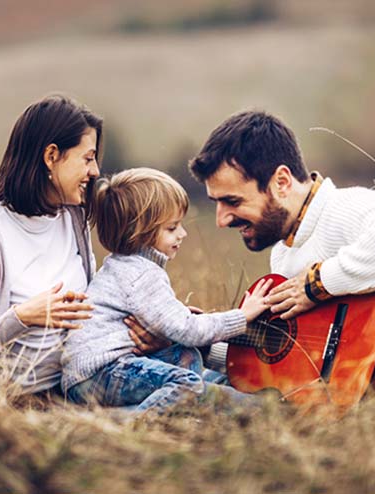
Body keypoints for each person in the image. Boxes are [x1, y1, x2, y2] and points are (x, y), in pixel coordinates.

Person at [189, 110, 375, 401]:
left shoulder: (349, 207)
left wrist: (315, 284)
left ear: (282, 182)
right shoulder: (284, 254)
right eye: (217, 203)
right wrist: (197, 341)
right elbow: (291, 363)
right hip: (341, 418)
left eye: (232, 201)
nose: (220, 220)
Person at [61, 168, 272, 413]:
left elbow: (172, 329)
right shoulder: (142, 273)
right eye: (172, 228)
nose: (182, 234)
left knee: (187, 357)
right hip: (99, 374)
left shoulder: (126, 266)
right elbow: (188, 330)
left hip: (97, 373)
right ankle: (127, 423)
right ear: (140, 231)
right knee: (186, 384)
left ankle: (213, 404)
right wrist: (242, 317)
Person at [0, 95, 102, 395]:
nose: (96, 171)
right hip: (17, 405)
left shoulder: (73, 217)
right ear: (51, 156)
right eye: (88, 158)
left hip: (81, 385)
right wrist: (20, 319)